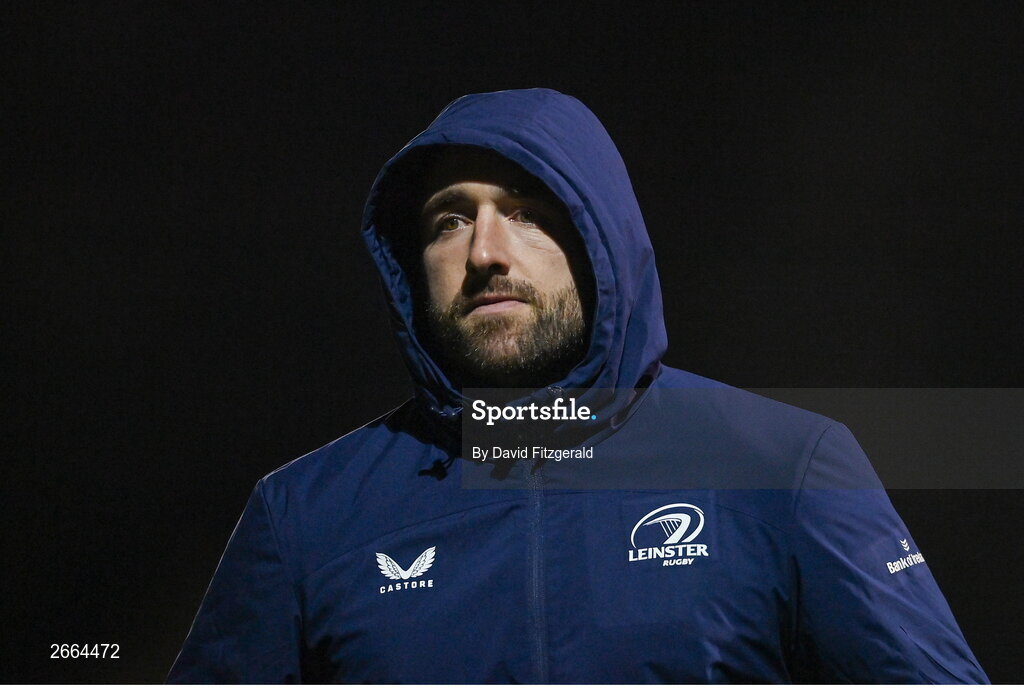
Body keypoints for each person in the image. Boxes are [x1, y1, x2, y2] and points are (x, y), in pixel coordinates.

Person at [167, 88, 987, 683]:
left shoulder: (785, 467)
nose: (486, 249)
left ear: (604, 239)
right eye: (449, 220)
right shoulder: (306, 515)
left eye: (528, 209)